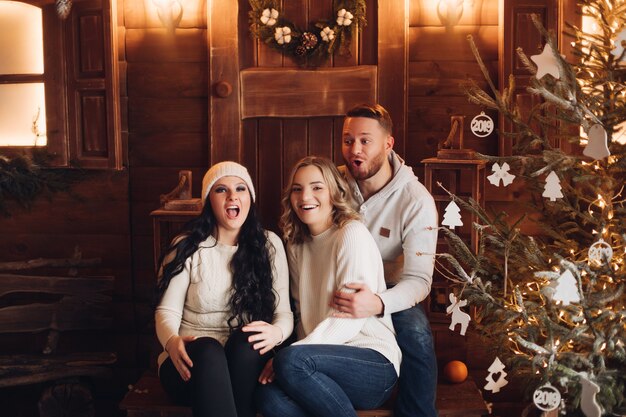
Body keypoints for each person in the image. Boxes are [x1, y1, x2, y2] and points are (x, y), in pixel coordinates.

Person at [256, 156, 401, 417]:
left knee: (290, 361)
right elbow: (302, 314)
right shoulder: (296, 245)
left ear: (334, 192)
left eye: (316, 187)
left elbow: (349, 319)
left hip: (372, 362)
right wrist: (293, 360)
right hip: (314, 366)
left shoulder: (350, 233)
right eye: (297, 189)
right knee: (267, 396)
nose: (305, 196)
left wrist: (292, 357)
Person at [155, 161, 293, 417]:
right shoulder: (187, 246)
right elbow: (166, 312)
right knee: (210, 351)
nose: (232, 196)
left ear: (249, 198)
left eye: (240, 188)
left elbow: (284, 314)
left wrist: (277, 333)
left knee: (247, 341)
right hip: (189, 364)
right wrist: (172, 342)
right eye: (221, 190)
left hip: (245, 365)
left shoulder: (269, 244)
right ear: (209, 200)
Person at [332, 104, 439, 417]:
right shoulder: (333, 184)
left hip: (390, 291)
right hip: (335, 281)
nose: (355, 149)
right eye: (348, 140)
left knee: (418, 335)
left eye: (365, 141)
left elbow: (420, 280)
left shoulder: (416, 199)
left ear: (388, 144)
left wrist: (377, 303)